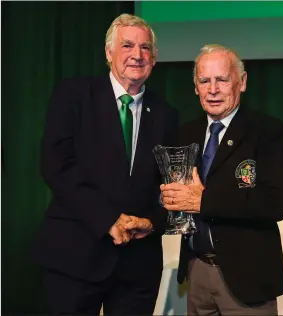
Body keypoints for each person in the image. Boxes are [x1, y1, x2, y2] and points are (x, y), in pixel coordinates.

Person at [32, 13, 179, 315]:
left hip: (138, 268)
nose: (137, 55)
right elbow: (55, 165)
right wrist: (108, 219)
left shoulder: (167, 113)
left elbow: (171, 184)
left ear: (154, 58)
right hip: (75, 257)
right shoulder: (73, 95)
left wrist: (152, 221)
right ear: (108, 52)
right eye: (127, 46)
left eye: (145, 48)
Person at [160, 44, 283, 315]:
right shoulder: (185, 134)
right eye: (204, 81)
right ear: (196, 87)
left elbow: (275, 203)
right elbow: (179, 195)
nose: (213, 89)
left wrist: (203, 200)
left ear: (241, 82)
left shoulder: (267, 131)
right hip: (197, 271)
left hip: (247, 280)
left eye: (222, 79)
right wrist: (167, 198)